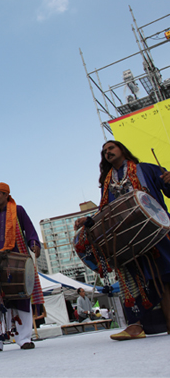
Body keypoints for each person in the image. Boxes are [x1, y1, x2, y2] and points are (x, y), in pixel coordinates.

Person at [75, 140, 170, 340]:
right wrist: (90, 220)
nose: (107, 152)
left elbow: (167, 189)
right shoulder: (108, 182)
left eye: (111, 148)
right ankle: (135, 327)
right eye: (104, 151)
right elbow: (106, 212)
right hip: (127, 237)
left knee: (165, 275)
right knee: (131, 278)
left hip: (155, 229)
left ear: (122, 150)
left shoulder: (145, 169)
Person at [0, 183, 44, 354]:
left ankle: (24, 339)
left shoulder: (18, 210)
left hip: (16, 261)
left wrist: (34, 244)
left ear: (6, 195)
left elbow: (30, 232)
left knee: (21, 299)